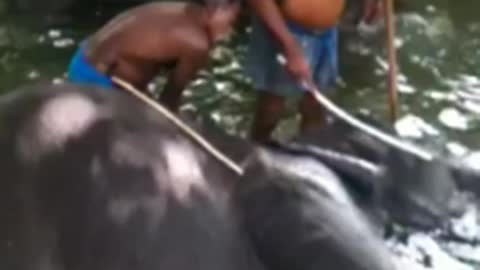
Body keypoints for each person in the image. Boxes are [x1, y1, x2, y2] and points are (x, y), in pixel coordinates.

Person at [245, 0, 380, 144]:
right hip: (286, 29)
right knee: (272, 106)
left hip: (327, 29)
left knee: (316, 105)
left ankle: (311, 150)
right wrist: (289, 45)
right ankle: (254, 149)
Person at [67, 0, 240, 112]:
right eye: (231, 20)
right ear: (216, 10)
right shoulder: (198, 44)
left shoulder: (186, 10)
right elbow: (171, 96)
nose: (230, 31)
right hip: (99, 80)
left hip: (82, 57)